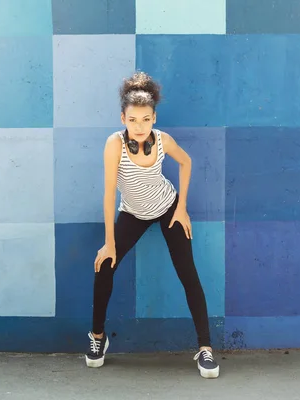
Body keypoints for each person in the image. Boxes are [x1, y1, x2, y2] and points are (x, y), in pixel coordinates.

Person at [84, 71, 220, 379]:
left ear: (154, 118)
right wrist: (109, 242)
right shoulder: (114, 145)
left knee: (189, 273)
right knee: (104, 266)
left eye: (146, 119)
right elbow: (108, 194)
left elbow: (186, 163)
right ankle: (97, 338)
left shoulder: (163, 141)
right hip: (132, 213)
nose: (140, 126)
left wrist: (181, 207)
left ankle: (205, 349)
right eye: (133, 120)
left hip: (166, 207)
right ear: (123, 118)